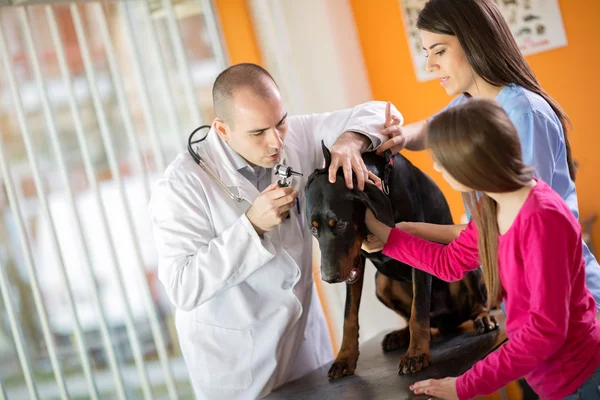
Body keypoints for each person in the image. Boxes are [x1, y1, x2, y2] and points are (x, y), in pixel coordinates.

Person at [148, 63, 402, 399]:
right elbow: (182, 287)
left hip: (304, 348)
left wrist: (349, 143)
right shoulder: (181, 186)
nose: (276, 142)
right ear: (222, 129)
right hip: (238, 368)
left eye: (280, 122)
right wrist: (251, 227)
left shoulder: (291, 135)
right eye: (258, 133)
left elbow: (382, 112)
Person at [365, 98, 600, 400]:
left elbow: (545, 330)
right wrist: (388, 237)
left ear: (470, 163)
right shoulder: (493, 204)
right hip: (548, 377)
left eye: (441, 158)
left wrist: (464, 385)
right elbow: (449, 262)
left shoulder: (542, 219)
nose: (436, 166)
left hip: (579, 380)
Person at [373, 0, 600, 310]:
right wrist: (402, 136)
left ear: (473, 40)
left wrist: (404, 233)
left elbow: (510, 225)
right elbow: (429, 128)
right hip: (527, 299)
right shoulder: (471, 106)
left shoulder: (524, 114)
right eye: (427, 55)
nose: (430, 67)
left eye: (439, 51)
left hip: (571, 303)